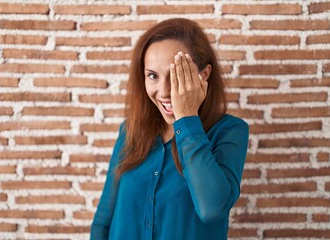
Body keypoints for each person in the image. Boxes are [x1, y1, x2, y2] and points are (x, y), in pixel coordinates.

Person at [90, 18, 249, 240]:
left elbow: (211, 209)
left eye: (176, 76)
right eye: (153, 76)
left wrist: (186, 118)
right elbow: (103, 221)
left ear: (203, 75)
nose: (164, 92)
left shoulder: (230, 131)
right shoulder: (130, 130)